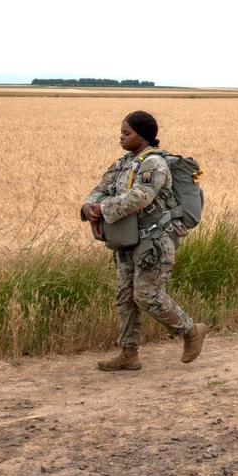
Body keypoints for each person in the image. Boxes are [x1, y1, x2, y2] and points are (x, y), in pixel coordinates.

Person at [82, 111, 206, 371]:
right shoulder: (123, 163)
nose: (121, 137)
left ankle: (190, 331)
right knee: (125, 297)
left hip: (155, 240)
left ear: (144, 136)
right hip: (125, 239)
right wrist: (88, 205)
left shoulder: (154, 164)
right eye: (121, 132)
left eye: (127, 133)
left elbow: (142, 196)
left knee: (146, 295)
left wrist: (102, 209)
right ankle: (128, 354)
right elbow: (103, 186)